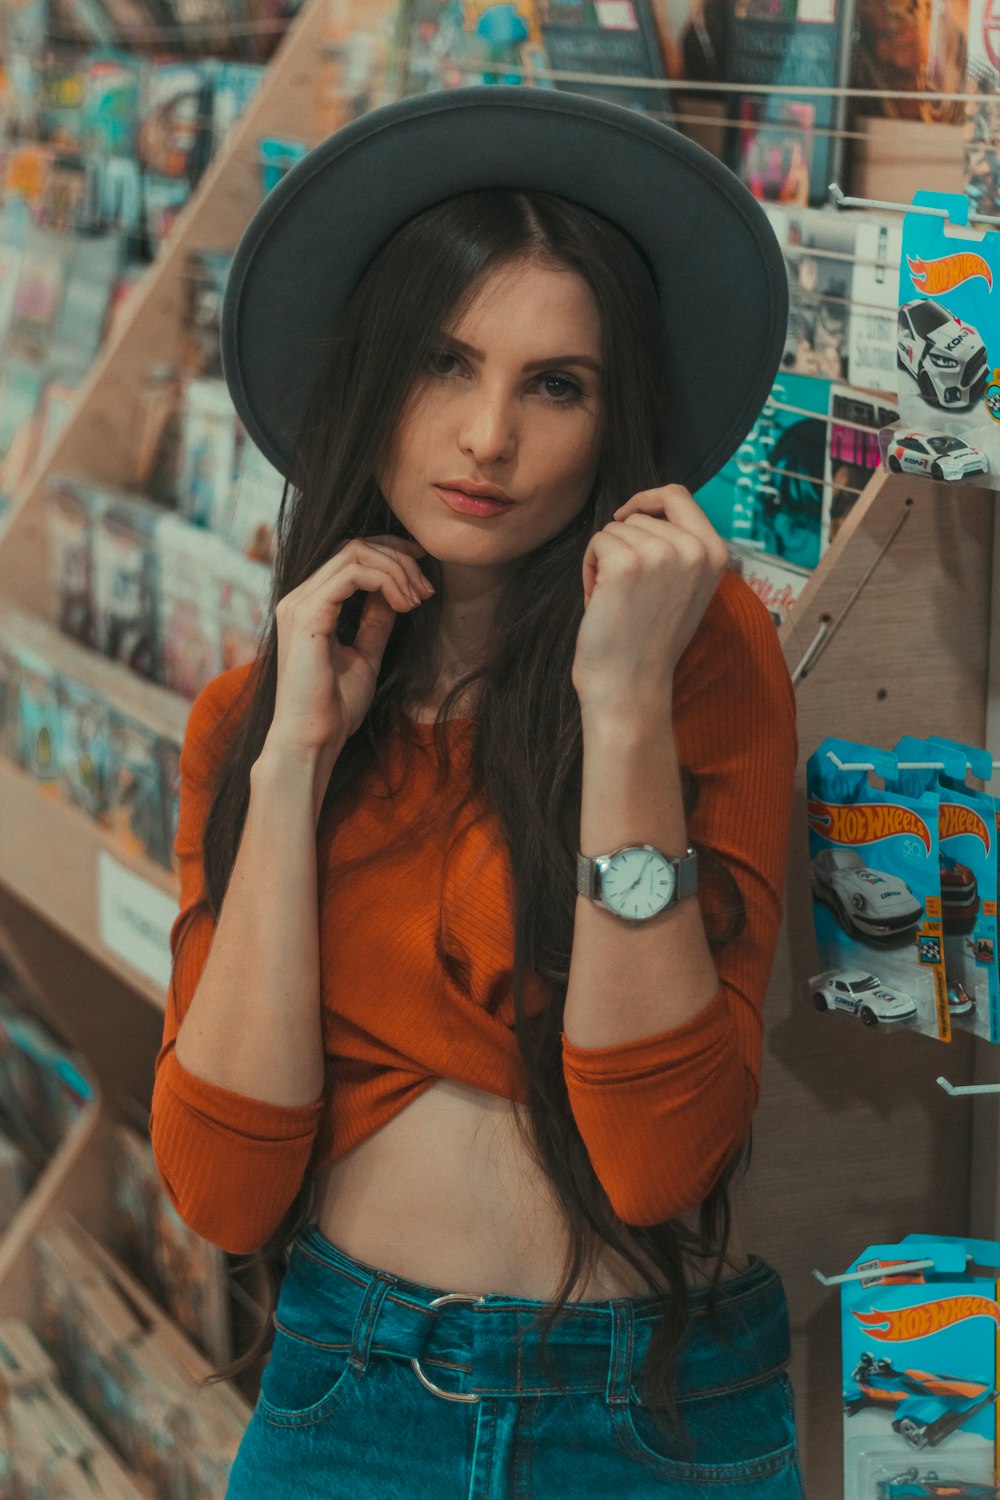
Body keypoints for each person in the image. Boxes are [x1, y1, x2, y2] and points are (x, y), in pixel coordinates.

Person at [150, 86, 802, 1496]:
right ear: (371, 378)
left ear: (613, 412)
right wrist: (293, 764)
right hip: (348, 1397)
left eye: (555, 384)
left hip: (646, 1417)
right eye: (447, 365)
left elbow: (656, 1158)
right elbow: (221, 1190)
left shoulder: (698, 655)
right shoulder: (253, 726)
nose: (489, 438)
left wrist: (619, 705)